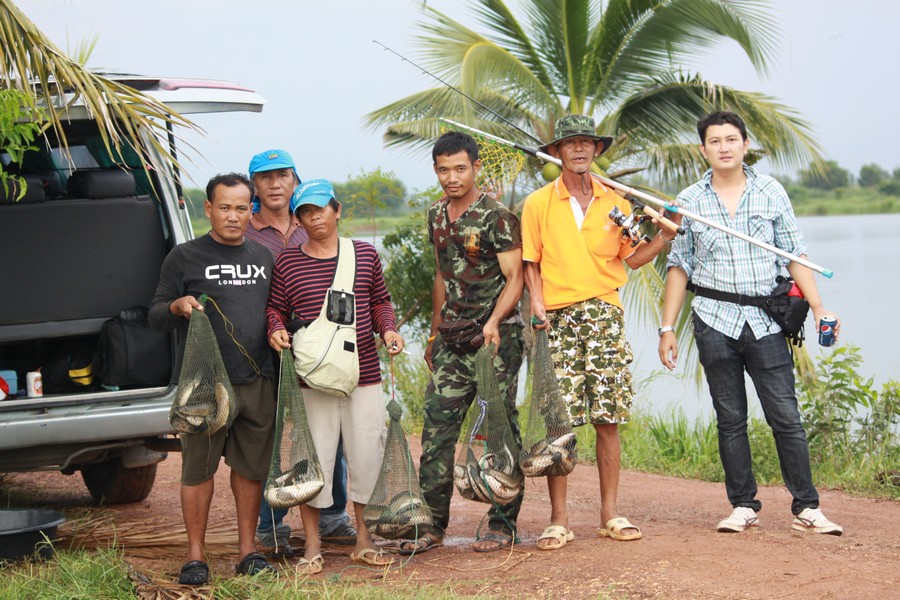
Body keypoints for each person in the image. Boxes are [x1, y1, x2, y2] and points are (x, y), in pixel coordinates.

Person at [658, 110, 843, 536]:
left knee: (786, 418)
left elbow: (796, 254)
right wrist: (667, 329)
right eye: (715, 141)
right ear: (702, 149)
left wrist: (819, 309)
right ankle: (742, 504)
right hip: (713, 319)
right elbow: (679, 266)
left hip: (766, 321)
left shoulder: (771, 192)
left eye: (731, 139)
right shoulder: (688, 201)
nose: (723, 147)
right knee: (730, 419)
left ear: (744, 144)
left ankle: (807, 508)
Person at [521, 114, 678, 550]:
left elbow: (632, 259)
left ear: (597, 150)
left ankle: (610, 514)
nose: (579, 150)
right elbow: (531, 262)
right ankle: (558, 519)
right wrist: (535, 300)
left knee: (608, 417)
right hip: (557, 316)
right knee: (559, 421)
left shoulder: (618, 202)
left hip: (605, 313)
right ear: (556, 152)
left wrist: (664, 237)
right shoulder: (538, 202)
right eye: (570, 143)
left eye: (587, 143)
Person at [266, 179, 404, 573]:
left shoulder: (364, 255)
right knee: (314, 462)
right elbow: (275, 307)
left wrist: (389, 330)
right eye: (305, 212)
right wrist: (275, 328)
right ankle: (312, 545)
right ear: (299, 218)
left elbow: (380, 301)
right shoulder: (288, 262)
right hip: (312, 379)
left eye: (320, 209)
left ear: (337, 210)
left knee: (365, 457)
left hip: (364, 377)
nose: (314, 217)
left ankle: (363, 540)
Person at [400, 131, 525, 555]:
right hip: (453, 338)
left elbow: (516, 279)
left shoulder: (496, 216)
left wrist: (493, 322)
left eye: (459, 168)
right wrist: (435, 332)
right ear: (435, 170)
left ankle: (502, 521)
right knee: (436, 426)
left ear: (475, 168)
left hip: (496, 339)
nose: (451, 177)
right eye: (443, 169)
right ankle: (432, 524)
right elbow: (442, 274)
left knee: (498, 429)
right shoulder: (436, 215)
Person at [149, 173, 277, 585]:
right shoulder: (183, 257)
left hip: (257, 380)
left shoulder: (263, 257)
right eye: (225, 207)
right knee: (197, 470)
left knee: (250, 470)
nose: (234, 216)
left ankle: (247, 551)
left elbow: (276, 311)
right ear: (208, 208)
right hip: (204, 386)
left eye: (243, 208)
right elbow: (153, 315)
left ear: (250, 210)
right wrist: (177, 305)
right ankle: (195, 557)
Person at [243, 149, 356, 558]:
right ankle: (272, 522)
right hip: (262, 348)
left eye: (283, 176)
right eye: (265, 177)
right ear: (254, 185)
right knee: (268, 436)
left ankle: (332, 516)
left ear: (295, 182)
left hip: (317, 350)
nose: (275, 184)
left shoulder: (311, 220)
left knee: (330, 429)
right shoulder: (246, 228)